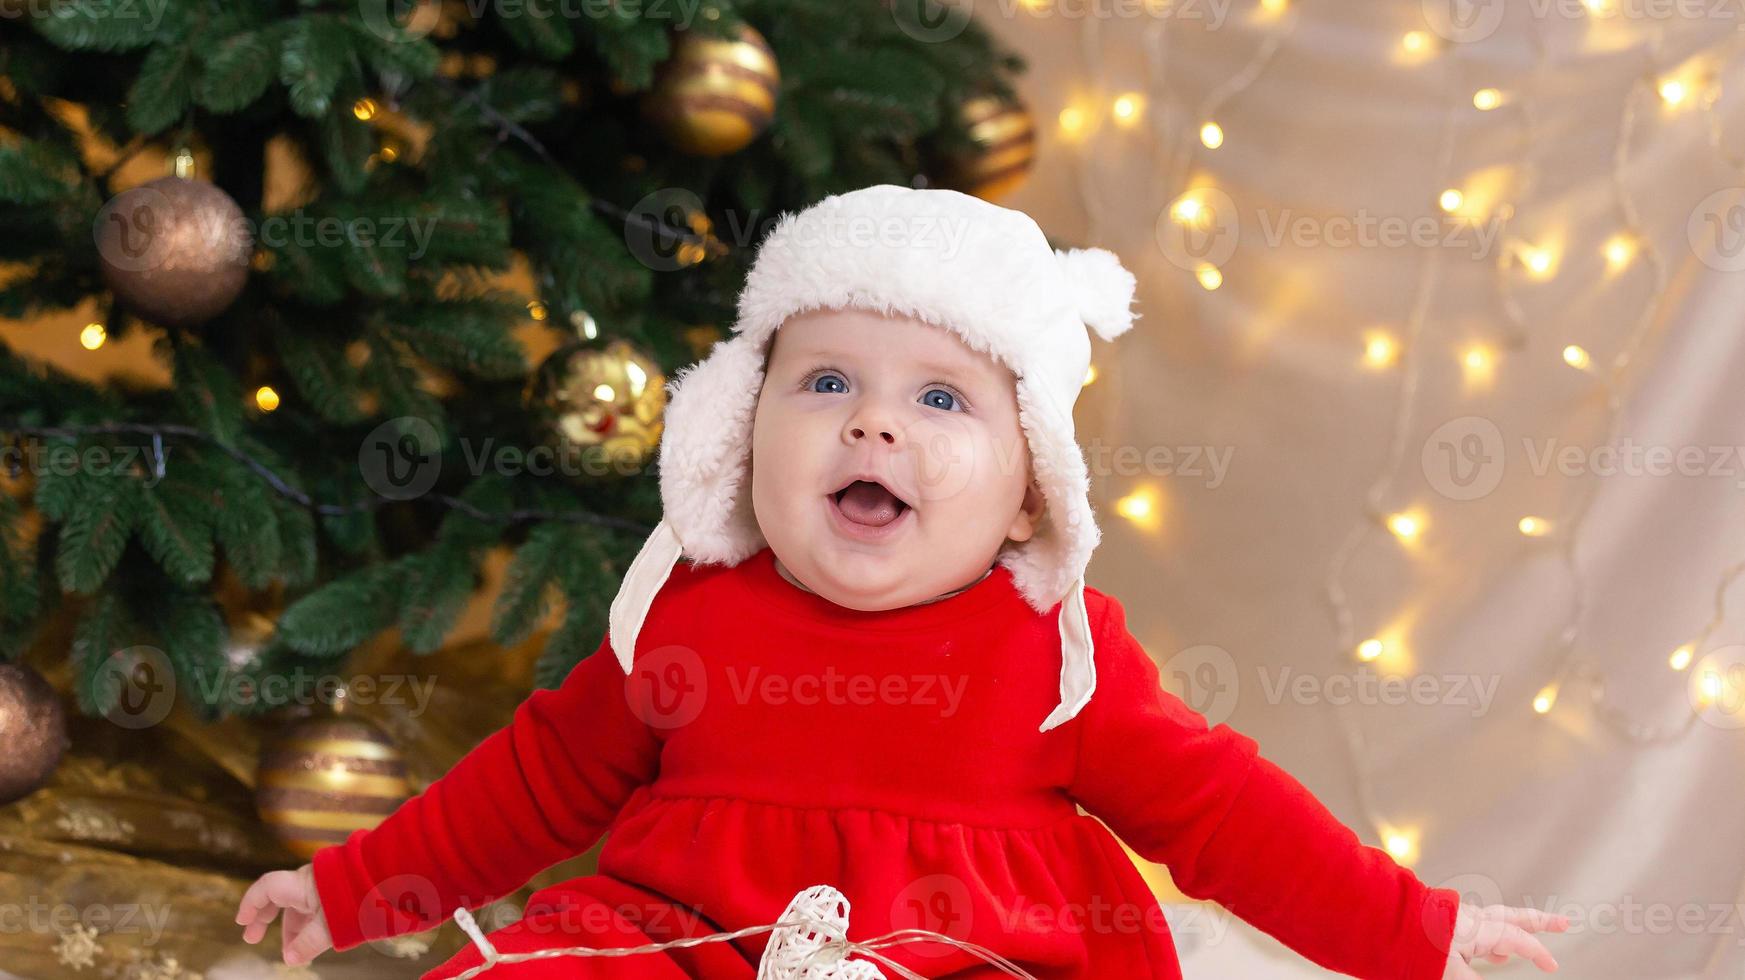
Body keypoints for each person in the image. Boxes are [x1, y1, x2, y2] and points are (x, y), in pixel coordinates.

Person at [236, 184, 1567, 978]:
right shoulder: (688, 618)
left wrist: (1416, 931)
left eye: (940, 398)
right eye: (825, 385)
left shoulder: (1053, 648)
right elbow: (535, 781)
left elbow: (1223, 813)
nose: (872, 426)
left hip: (954, 954)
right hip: (684, 944)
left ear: (1028, 482)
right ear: (737, 432)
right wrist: (354, 888)